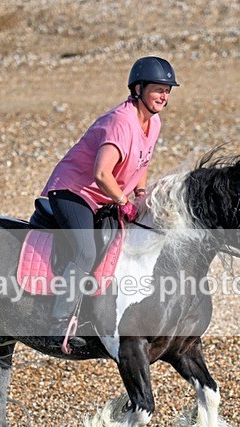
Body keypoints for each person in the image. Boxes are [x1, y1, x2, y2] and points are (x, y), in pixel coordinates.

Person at [41, 56, 179, 350]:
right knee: (84, 250)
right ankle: (58, 325)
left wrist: (140, 195)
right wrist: (122, 200)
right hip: (75, 191)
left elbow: (142, 162)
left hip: (106, 194)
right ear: (138, 89)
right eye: (158, 89)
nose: (164, 96)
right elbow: (101, 173)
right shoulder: (120, 121)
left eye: (168, 90)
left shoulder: (153, 123)